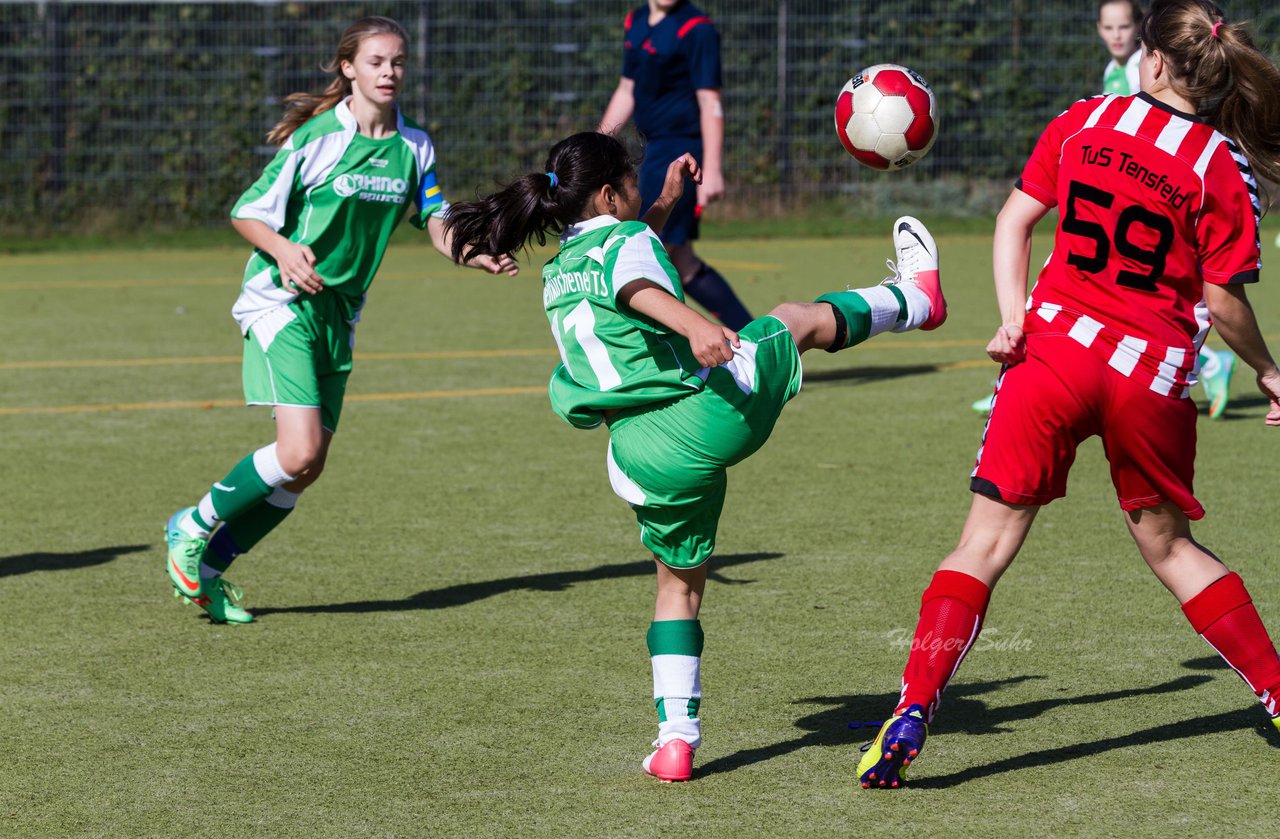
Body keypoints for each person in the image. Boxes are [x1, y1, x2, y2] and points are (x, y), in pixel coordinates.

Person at [861, 0, 1280, 790]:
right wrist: (1268, 368)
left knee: (982, 546)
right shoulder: (1225, 168)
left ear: (1152, 60)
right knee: (1170, 548)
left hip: (1051, 357)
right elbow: (1223, 303)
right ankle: (1277, 691)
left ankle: (913, 708)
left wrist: (1014, 319)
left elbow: (1015, 221)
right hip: (1148, 377)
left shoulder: (1085, 119)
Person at [445, 131, 947, 782]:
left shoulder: (564, 268)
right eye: (632, 179)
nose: (638, 186)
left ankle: (675, 741)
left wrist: (663, 203)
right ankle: (918, 301)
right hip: (699, 420)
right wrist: (694, 324)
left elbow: (624, 262)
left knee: (677, 588)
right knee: (793, 319)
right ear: (607, 193)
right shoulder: (625, 249)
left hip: (639, 454)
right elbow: (637, 284)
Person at [162, 16, 517, 624]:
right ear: (349, 68)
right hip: (282, 302)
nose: (390, 72)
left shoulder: (416, 147)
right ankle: (190, 526)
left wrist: (469, 251)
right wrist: (284, 250)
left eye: (398, 62)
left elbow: (433, 219)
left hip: (340, 313)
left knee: (307, 469)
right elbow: (247, 213)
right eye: (377, 61)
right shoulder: (316, 139)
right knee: (296, 452)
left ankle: (209, 572)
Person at [972, 0, 1235, 417]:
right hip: (1119, 194)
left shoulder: (1144, 69)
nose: (1116, 34)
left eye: (1124, 26)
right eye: (1108, 27)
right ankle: (1022, 370)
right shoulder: (1116, 73)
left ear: (1143, 39)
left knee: (1109, 292)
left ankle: (1207, 362)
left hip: (1132, 194)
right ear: (1097, 29)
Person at [598, 0, 753, 332]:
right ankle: (758, 346)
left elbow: (709, 101)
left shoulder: (697, 28)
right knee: (681, 263)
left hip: (682, 153)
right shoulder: (635, 21)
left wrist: (711, 169)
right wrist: (597, 146)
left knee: (646, 258)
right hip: (651, 149)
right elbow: (627, 90)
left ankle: (667, 354)